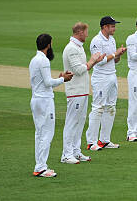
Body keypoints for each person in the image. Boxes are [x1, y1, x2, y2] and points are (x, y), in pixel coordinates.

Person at [29, 34, 73, 177]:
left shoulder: (34, 60)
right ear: (49, 45)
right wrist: (62, 79)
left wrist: (58, 78)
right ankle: (41, 167)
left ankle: (40, 166)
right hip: (45, 102)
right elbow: (48, 83)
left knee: (40, 134)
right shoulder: (44, 61)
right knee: (47, 133)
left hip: (36, 99)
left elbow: (43, 82)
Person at [61, 22, 105, 164]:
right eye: (86, 32)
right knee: (72, 123)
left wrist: (94, 61)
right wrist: (92, 60)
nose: (87, 34)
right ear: (80, 32)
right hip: (75, 91)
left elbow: (84, 68)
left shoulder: (77, 47)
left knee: (79, 123)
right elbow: (79, 70)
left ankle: (75, 151)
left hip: (82, 91)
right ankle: (66, 154)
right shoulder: (72, 49)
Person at [86, 16, 127, 151]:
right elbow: (99, 61)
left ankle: (104, 140)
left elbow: (115, 61)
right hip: (101, 78)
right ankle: (91, 142)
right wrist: (115, 53)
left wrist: (119, 54)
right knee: (98, 108)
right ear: (104, 27)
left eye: (114, 26)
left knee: (111, 107)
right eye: (112, 26)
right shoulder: (96, 41)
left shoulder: (112, 39)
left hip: (112, 76)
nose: (114, 28)